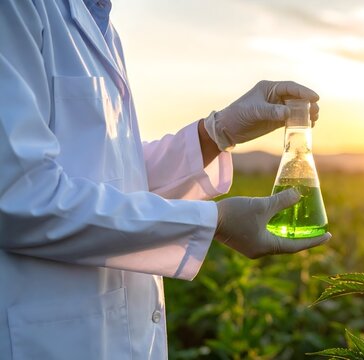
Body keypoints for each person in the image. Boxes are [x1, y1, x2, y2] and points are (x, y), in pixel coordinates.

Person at [0, 1, 331, 359]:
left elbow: (116, 176)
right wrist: (213, 222)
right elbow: (17, 195)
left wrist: (216, 133)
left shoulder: (102, 25)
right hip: (50, 339)